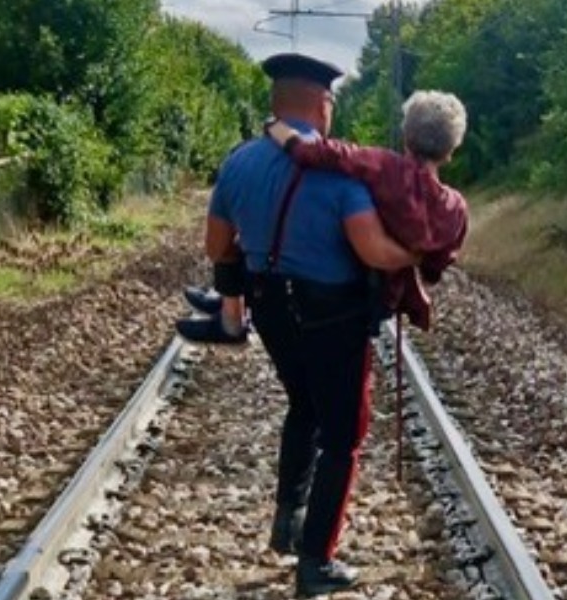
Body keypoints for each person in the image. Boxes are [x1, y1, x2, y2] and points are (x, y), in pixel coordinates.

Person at [200, 52, 419, 597]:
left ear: (277, 103)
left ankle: (287, 521)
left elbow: (216, 247)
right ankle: (316, 562)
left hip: (271, 306)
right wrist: (416, 253)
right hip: (332, 315)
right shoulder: (334, 170)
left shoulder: (238, 162)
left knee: (303, 405)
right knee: (343, 435)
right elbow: (372, 248)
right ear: (322, 104)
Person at [176, 90, 469, 341]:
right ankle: (228, 306)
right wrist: (415, 256)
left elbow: (313, 153)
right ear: (450, 151)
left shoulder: (382, 165)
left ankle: (230, 308)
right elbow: (434, 271)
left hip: (351, 295)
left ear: (407, 136)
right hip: (385, 298)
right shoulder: (455, 209)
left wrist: (274, 126)